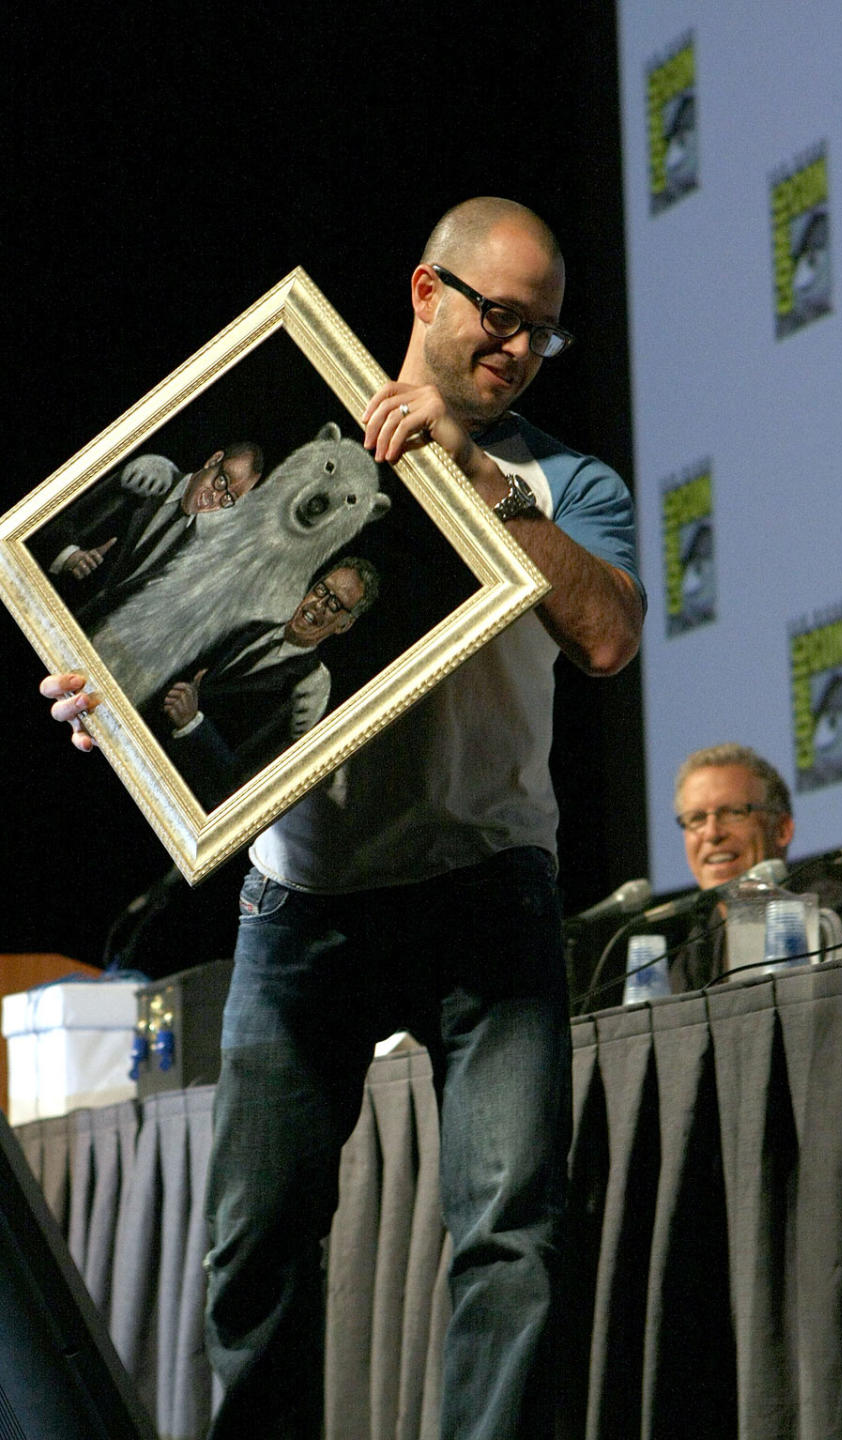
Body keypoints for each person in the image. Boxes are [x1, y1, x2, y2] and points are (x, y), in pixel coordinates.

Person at [41, 196, 645, 1440]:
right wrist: (107, 686)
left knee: (510, 1235)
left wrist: (487, 488)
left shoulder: (559, 479)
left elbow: (608, 633)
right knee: (252, 1255)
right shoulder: (293, 414)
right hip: (301, 905)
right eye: (500, 315)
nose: (520, 348)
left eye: (543, 333)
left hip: (489, 890)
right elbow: (187, 638)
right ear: (427, 294)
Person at [157, 557, 379, 810]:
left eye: (334, 604)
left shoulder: (311, 686)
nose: (318, 605)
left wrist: (193, 726)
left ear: (344, 625)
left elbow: (251, 784)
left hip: (188, 803)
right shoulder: (253, 628)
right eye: (321, 590)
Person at [668, 742, 842, 991]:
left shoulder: (834, 916)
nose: (712, 834)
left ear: (781, 829)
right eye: (697, 819)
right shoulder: (697, 948)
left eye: (734, 812)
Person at [35, 442, 264, 627]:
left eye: (228, 499)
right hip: (41, 599)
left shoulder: (193, 546)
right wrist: (69, 556)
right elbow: (59, 518)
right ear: (213, 460)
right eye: (221, 481)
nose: (213, 499)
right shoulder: (146, 476)